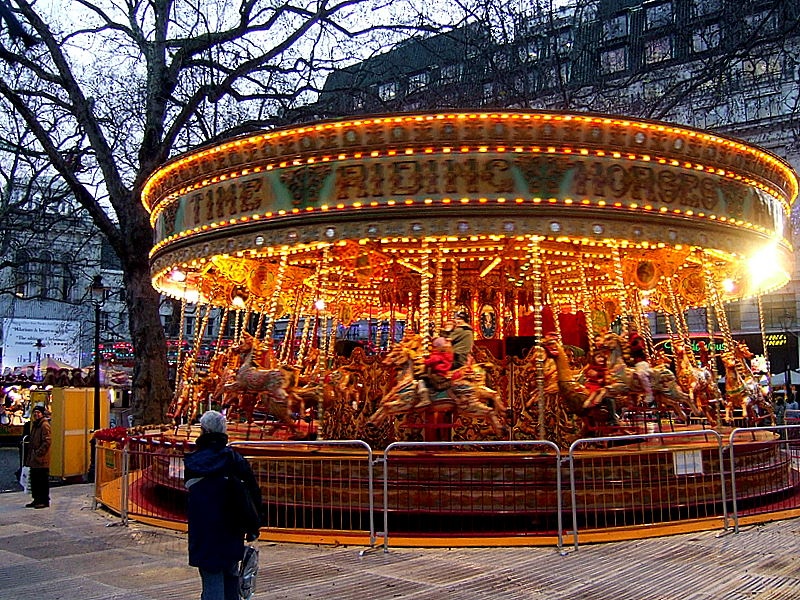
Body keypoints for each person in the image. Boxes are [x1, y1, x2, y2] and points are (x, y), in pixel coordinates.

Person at [184, 410, 262, 600]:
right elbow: (253, 493)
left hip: (203, 531)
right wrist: (254, 525)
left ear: (202, 431)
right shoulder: (234, 459)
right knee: (230, 575)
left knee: (211, 578)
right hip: (231, 528)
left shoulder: (192, 462)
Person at [25, 403, 51, 509]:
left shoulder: (44, 425)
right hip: (34, 458)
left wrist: (39, 453)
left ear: (42, 414)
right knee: (35, 480)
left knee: (42, 480)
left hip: (41, 459)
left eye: (38, 412)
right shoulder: (36, 424)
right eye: (34, 412)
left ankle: (43, 500)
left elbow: (47, 441)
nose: (36, 414)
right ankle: (36, 499)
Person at [417, 337, 454, 407]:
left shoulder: (438, 355)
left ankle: (424, 399)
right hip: (443, 374)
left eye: (435, 347)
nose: (434, 348)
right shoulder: (447, 354)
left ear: (438, 347)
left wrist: (423, 360)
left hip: (437, 375)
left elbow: (428, 362)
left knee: (421, 379)